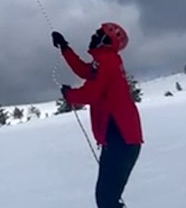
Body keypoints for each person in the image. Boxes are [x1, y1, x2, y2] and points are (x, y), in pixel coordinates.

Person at [52, 23, 143, 208]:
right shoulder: (103, 61)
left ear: (107, 40)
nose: (94, 35)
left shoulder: (107, 61)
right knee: (107, 197)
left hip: (121, 138)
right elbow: (84, 71)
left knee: (106, 199)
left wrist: (70, 95)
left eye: (98, 33)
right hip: (120, 139)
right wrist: (65, 48)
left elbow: (91, 94)